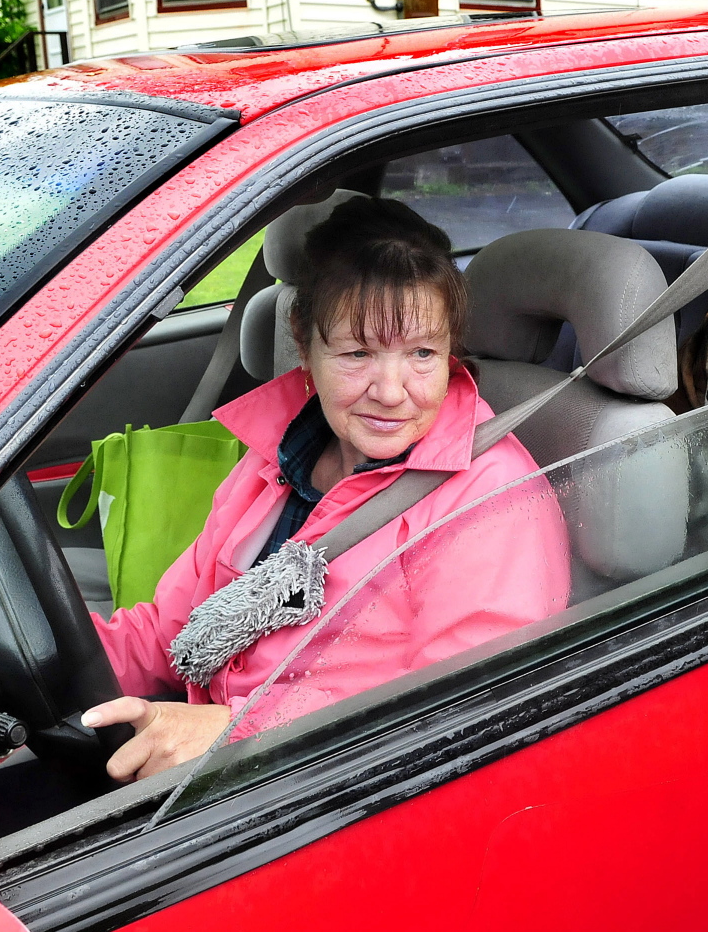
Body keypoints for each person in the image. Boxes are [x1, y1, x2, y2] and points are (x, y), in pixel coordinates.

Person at [82, 197, 571, 781]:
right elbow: (169, 630)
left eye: (421, 353)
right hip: (207, 774)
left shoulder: (492, 497)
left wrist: (235, 731)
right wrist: (56, 663)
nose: (392, 391)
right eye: (358, 353)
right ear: (303, 341)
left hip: (326, 794)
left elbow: (457, 711)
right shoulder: (279, 457)